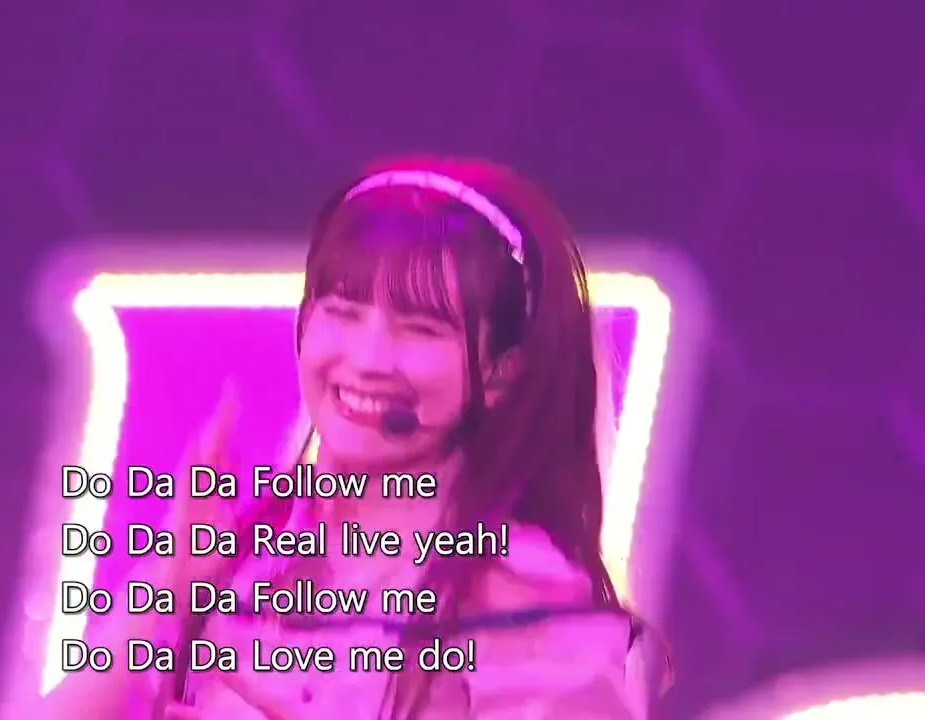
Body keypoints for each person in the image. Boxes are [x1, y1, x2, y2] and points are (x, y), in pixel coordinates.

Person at [48, 157, 666, 719]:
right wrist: (173, 583)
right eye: (342, 312)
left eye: (421, 329)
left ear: (501, 371)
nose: (368, 360)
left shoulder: (529, 606)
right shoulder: (246, 559)